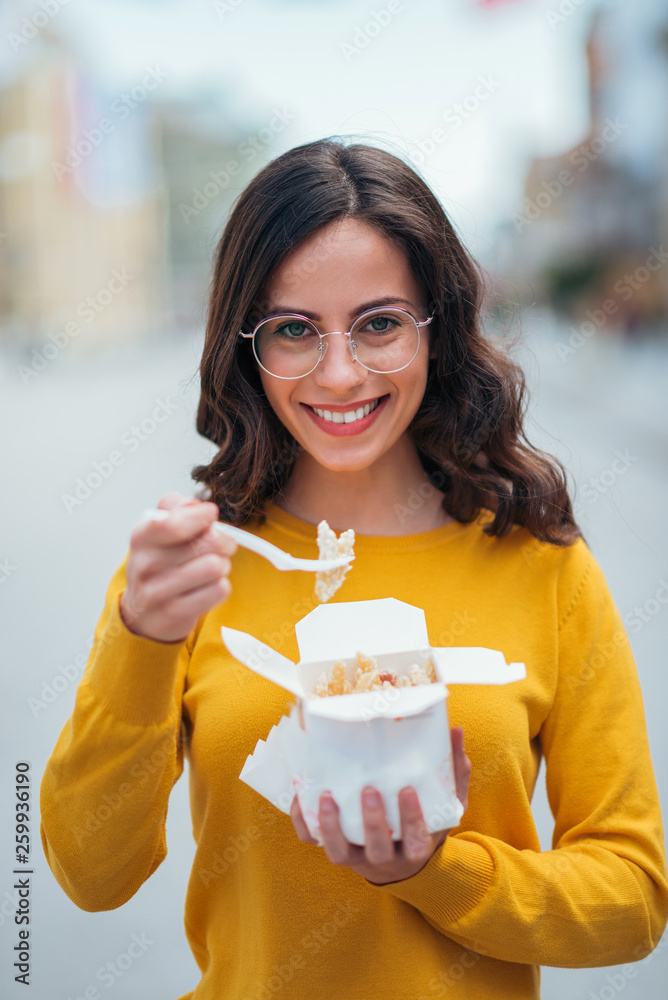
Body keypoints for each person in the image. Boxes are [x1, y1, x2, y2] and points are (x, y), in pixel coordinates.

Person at [40, 138, 667, 1000]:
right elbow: (88, 874)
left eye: (379, 324)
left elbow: (634, 901)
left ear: (436, 332)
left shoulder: (540, 562)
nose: (340, 374)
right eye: (295, 330)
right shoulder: (191, 568)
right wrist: (140, 637)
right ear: (245, 346)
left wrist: (435, 871)